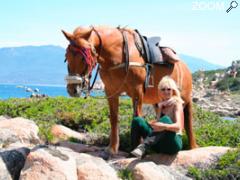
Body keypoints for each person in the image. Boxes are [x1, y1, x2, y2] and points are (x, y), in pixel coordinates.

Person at [130, 76, 185, 158]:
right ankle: (134, 153)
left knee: (165, 119)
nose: (166, 91)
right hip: (159, 144)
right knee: (137, 120)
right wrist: (154, 121)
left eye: (169, 89)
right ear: (160, 91)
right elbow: (158, 130)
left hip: (173, 144)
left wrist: (164, 126)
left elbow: (178, 127)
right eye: (163, 89)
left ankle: (144, 146)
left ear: (173, 90)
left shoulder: (177, 103)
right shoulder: (161, 105)